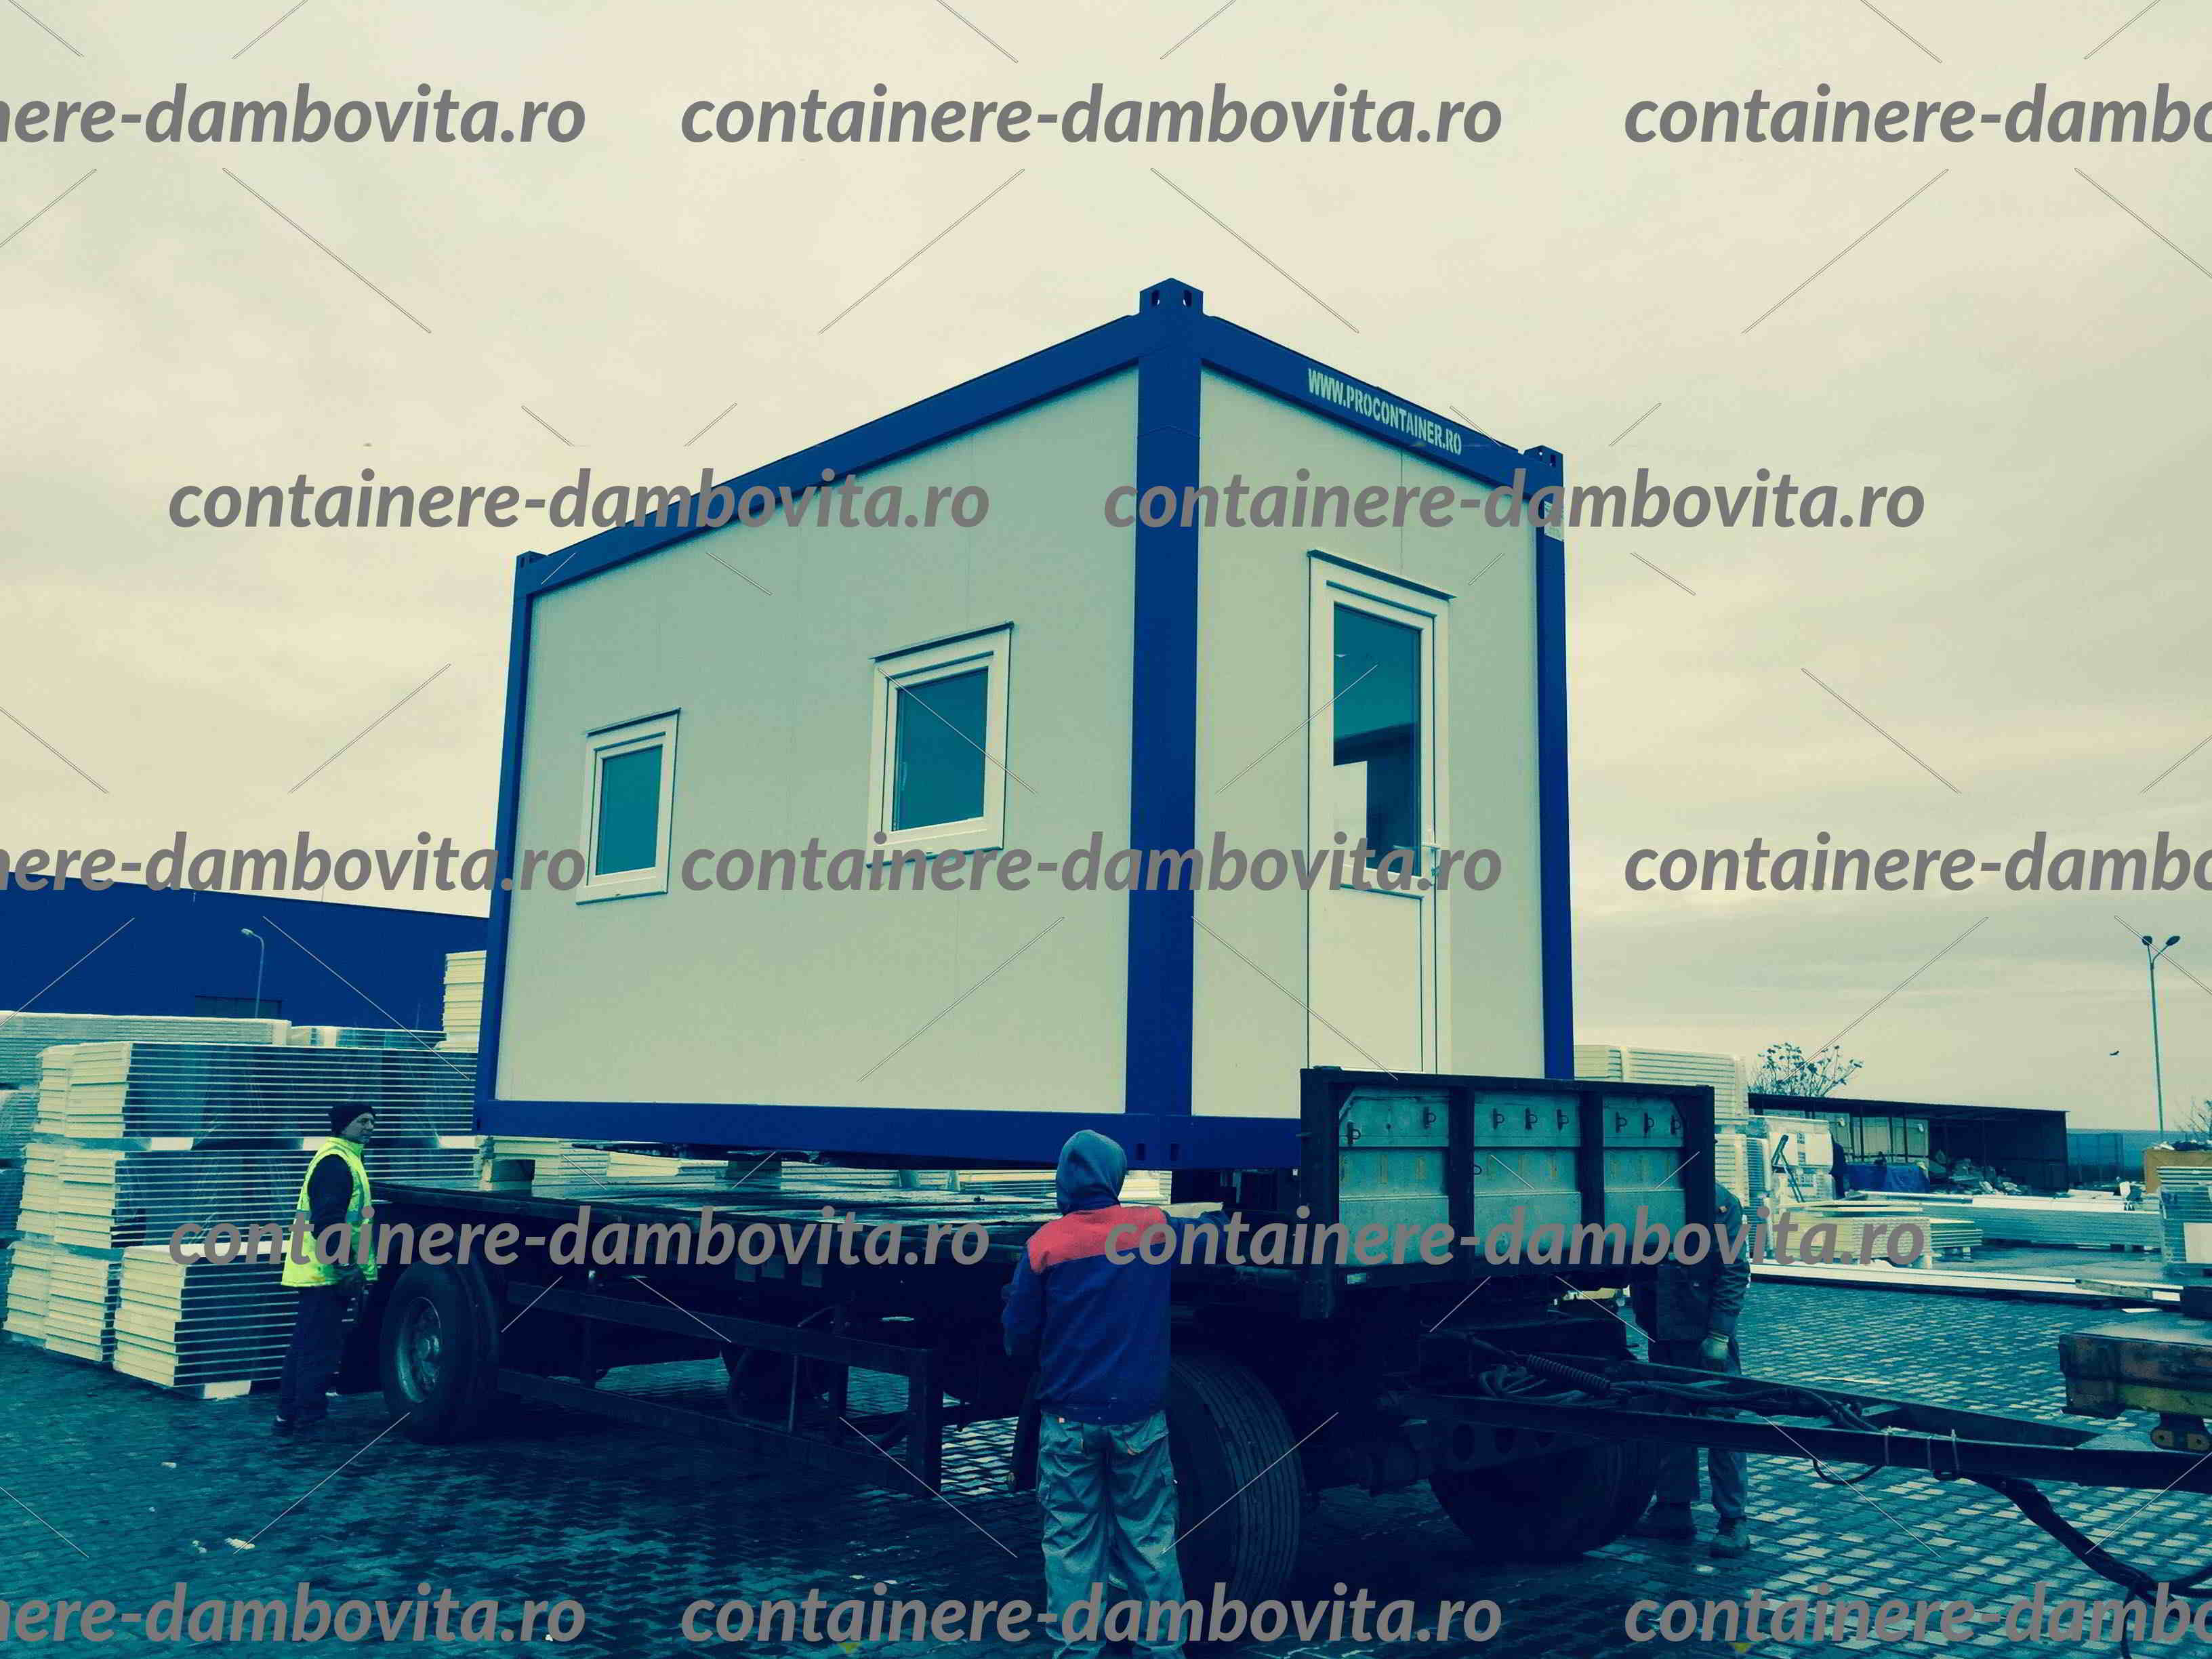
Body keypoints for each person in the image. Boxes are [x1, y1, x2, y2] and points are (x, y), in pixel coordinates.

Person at [1002, 1131, 1193, 1659]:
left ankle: (1077, 1651)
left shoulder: (1044, 1245)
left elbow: (1017, 1337)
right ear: (1116, 1177)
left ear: (1063, 1180)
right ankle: (1161, 1651)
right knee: (1150, 1542)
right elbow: (1214, 1236)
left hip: (1068, 1423)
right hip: (1139, 1421)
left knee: (1070, 1547)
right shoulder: (1153, 1228)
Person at [1630, 1184, 1752, 1557]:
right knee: (1671, 1420)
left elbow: (1734, 1269)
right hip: (1664, 1333)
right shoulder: (1648, 1194)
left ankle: (1733, 1520)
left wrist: (1719, 1334)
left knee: (1721, 1424)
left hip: (1704, 1336)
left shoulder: (1719, 1201)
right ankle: (1673, 1509)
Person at [276, 1103, 377, 1435]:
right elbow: (328, 1222)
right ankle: (308, 1418)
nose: (370, 1127)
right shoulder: (335, 1163)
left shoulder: (347, 1158)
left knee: (306, 1344)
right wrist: (346, 1265)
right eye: (362, 1121)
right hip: (324, 1272)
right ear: (342, 1125)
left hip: (324, 1270)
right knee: (317, 1349)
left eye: (372, 1121)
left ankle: (288, 1416)